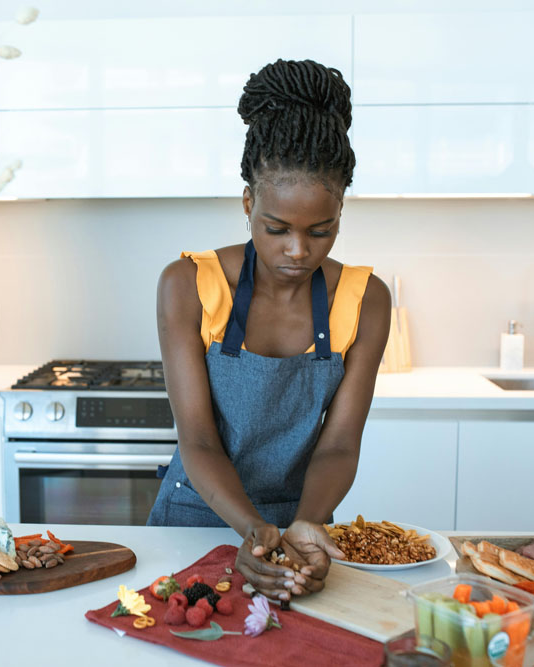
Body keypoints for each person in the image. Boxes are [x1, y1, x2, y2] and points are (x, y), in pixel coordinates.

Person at [146, 59, 391, 603]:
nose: (298, 251)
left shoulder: (364, 300)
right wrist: (254, 531)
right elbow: (199, 438)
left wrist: (306, 526)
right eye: (276, 229)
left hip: (303, 530)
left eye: (321, 231)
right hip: (194, 520)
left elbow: (339, 443)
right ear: (248, 204)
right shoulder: (189, 283)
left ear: (341, 213)